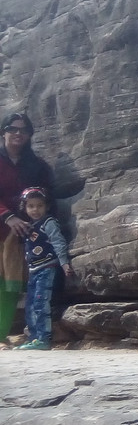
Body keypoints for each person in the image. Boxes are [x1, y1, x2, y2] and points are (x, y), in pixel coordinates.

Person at [0, 113, 57, 343]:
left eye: (23, 130)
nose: (18, 133)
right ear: (3, 132)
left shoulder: (38, 166)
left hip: (22, 236)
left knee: (9, 288)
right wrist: (7, 216)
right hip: (3, 227)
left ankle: (2, 335)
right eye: (12, 128)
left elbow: (45, 199)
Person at [15, 187, 73, 350]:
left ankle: (43, 338)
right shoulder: (29, 226)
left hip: (47, 267)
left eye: (39, 205)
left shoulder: (49, 223)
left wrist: (64, 263)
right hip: (34, 271)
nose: (35, 210)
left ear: (47, 206)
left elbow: (58, 242)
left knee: (41, 303)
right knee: (30, 306)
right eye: (31, 206)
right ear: (24, 208)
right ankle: (34, 338)